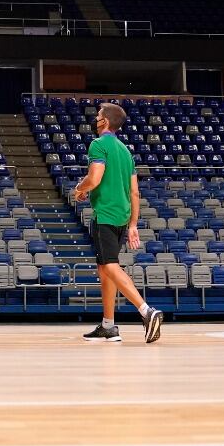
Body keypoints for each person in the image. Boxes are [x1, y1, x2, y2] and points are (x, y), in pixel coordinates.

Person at [71, 101, 163, 344]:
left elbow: (95, 177)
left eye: (99, 115)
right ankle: (108, 325)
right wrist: (133, 224)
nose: (96, 118)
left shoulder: (98, 144)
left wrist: (80, 189)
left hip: (106, 213)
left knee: (110, 265)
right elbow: (135, 193)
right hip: (122, 216)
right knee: (104, 269)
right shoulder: (125, 151)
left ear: (106, 121)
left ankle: (146, 311)